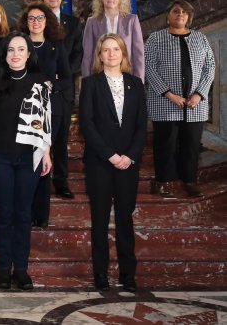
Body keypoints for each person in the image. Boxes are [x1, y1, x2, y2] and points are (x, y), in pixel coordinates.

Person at [0, 33, 53, 291]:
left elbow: (46, 122)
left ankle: (20, 270)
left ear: (29, 53)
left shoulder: (40, 82)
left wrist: (46, 152)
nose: (16, 54)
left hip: (29, 156)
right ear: (5, 53)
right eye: (11, 49)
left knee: (23, 214)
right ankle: (2, 270)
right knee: (5, 212)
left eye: (21, 49)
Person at [79, 34, 147, 292]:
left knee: (125, 220)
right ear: (99, 55)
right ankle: (101, 274)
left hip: (128, 163)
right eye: (105, 50)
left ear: (123, 53)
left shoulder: (136, 83)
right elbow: (87, 124)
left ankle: (128, 274)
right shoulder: (91, 83)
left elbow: (141, 125)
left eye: (115, 49)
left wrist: (129, 156)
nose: (111, 54)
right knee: (99, 220)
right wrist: (110, 155)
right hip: (100, 162)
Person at [145, 0, 216, 198]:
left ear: (189, 16)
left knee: (191, 144)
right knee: (165, 144)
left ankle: (189, 180)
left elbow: (209, 68)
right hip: (165, 102)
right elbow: (149, 68)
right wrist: (169, 94)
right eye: (176, 11)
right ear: (168, 15)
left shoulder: (200, 38)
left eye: (184, 12)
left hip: (195, 104)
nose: (180, 14)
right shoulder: (155, 38)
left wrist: (199, 94)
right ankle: (164, 181)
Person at [17, 2, 71, 228]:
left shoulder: (55, 46)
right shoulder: (19, 45)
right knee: (27, 162)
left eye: (40, 18)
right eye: (31, 18)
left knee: (44, 161)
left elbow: (67, 79)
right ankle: (26, 212)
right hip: (24, 111)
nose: (35, 22)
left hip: (51, 109)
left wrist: (52, 83)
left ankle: (42, 214)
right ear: (25, 22)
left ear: (47, 21)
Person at [40, 0, 84, 200]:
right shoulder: (34, 22)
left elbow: (78, 55)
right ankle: (40, 182)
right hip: (39, 90)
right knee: (39, 136)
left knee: (60, 139)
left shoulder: (74, 24)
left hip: (63, 89)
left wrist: (62, 74)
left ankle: (61, 181)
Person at [82, 0, 144, 80]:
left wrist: (139, 82)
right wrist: (87, 82)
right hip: (99, 78)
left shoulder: (132, 20)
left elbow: (138, 55)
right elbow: (87, 56)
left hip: (127, 76)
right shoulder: (92, 22)